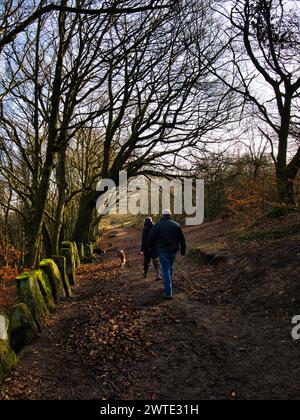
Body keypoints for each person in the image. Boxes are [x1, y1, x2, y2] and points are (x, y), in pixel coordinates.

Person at [148, 210, 187, 300]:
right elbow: (182, 239)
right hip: (173, 251)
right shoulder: (176, 225)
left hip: (162, 250)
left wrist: (150, 246)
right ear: (170, 215)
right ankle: (168, 285)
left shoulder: (158, 225)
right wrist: (183, 250)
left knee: (165, 270)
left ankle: (168, 292)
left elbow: (151, 237)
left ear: (162, 215)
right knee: (169, 268)